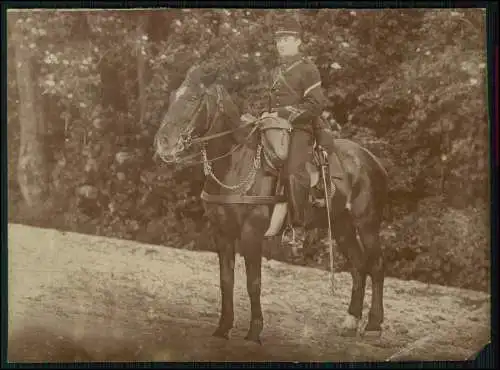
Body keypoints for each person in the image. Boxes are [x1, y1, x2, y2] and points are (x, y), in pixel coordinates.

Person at [261, 17, 348, 228]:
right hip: (273, 128)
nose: (281, 44)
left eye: (286, 39)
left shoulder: (308, 69)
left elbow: (315, 105)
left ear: (298, 41)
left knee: (293, 170)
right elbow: (268, 102)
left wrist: (280, 113)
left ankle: (297, 226)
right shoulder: (274, 72)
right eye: (278, 40)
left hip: (300, 128)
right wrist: (261, 113)